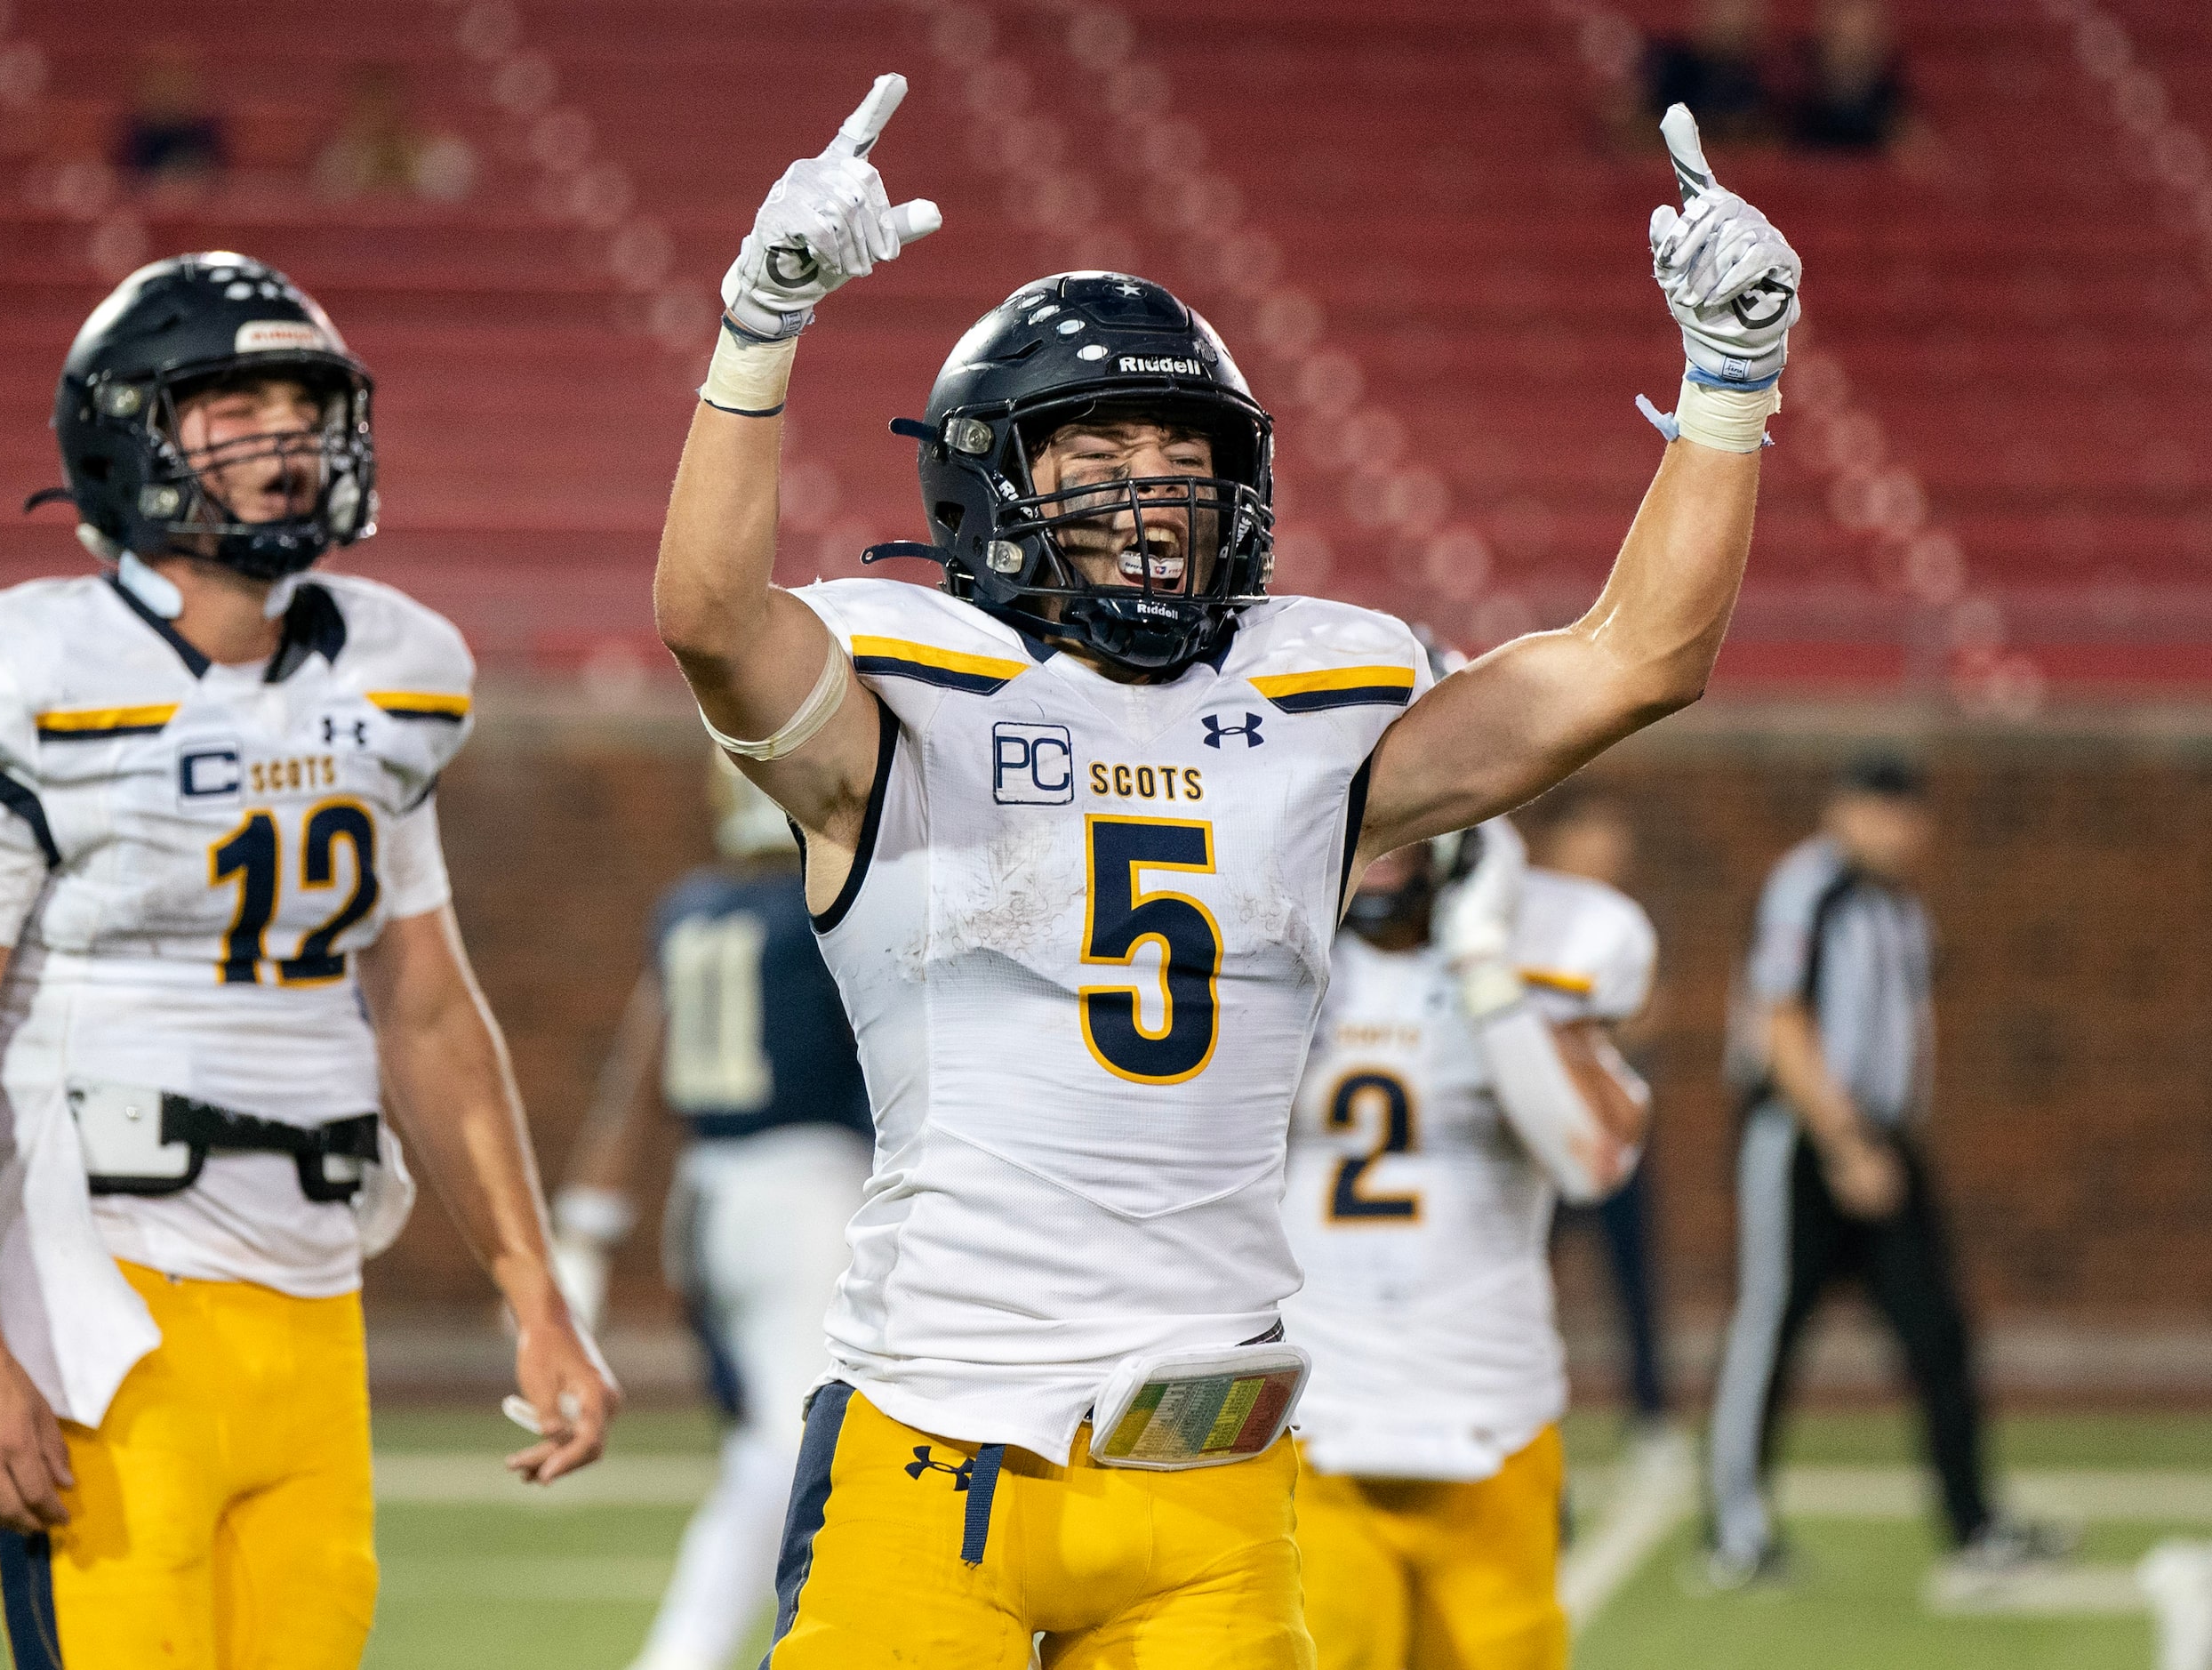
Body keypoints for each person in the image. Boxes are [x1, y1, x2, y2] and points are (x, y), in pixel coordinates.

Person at [652, 74, 1799, 1667]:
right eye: (1093, 449)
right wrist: (758, 328)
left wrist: (1729, 384)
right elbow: (711, 617)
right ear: (992, 482)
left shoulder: (1313, 707)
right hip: (937, 1439)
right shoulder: (907, 699)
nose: (1147, 488)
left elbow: (1633, 664)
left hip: (1207, 1468)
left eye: (1178, 448)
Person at [0, 252, 616, 1669]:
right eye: (233, 402)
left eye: (302, 400)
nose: (283, 436)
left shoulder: (391, 673)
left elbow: (430, 1009)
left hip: (318, 1295)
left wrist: (537, 1295)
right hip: (107, 1297)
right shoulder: (29, 673)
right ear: (128, 428)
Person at [1283, 816, 1653, 1670]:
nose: (1382, 856)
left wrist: (1486, 963)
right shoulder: (1269, 949)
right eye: (1367, 825)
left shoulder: (1544, 942)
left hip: (1491, 1410)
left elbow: (1589, 1162)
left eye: (1408, 834)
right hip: (1316, 1411)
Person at [1704, 755, 2066, 1588]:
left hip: (1882, 1133)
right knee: (1771, 1327)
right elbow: (1782, 1017)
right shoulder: (1808, 886)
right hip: (1802, 1133)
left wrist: (1885, 1137)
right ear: (1846, 813)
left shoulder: (1897, 903)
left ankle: (1976, 1520)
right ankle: (1736, 1528)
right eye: (1885, 812)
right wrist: (1843, 1141)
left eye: (1910, 815)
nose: (1901, 831)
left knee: (1939, 1331)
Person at [553, 753, 873, 1670]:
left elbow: (635, 1078)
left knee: (773, 1444)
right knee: (798, 1448)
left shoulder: (689, 910)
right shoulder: (815, 918)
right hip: (805, 1187)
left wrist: (585, 1232)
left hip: (706, 1198)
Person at [1532, 788, 1675, 1434]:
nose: (1607, 850)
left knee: (1635, 1272)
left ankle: (1650, 1408)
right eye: (1592, 833)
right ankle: (1531, 1396)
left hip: (1610, 1124)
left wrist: (1576, 1042)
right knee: (1526, 1268)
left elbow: (1649, 1014)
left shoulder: (1623, 921)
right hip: (1536, 1128)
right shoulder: (1523, 915)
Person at [312, 64, 477, 204]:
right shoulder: (338, 157)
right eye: (368, 106)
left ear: (406, 108)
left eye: (383, 103)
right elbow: (332, 211)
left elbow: (450, 218)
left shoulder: (445, 156)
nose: (377, 114)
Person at [1641, 0, 1775, 148]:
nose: (1730, 34)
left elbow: (1766, 133)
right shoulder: (1678, 70)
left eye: (1740, 28)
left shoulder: (1762, 77)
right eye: (1724, 24)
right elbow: (1652, 123)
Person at [1786, 0, 1914, 153]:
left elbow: (1918, 159)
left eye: (1863, 34)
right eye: (1842, 36)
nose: (1851, 42)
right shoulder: (1794, 93)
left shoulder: (1894, 99)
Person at [115, 49, 225, 186]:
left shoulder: (205, 132)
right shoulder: (135, 137)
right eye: (160, 81)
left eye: (176, 81)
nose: (168, 91)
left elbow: (216, 176)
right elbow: (125, 179)